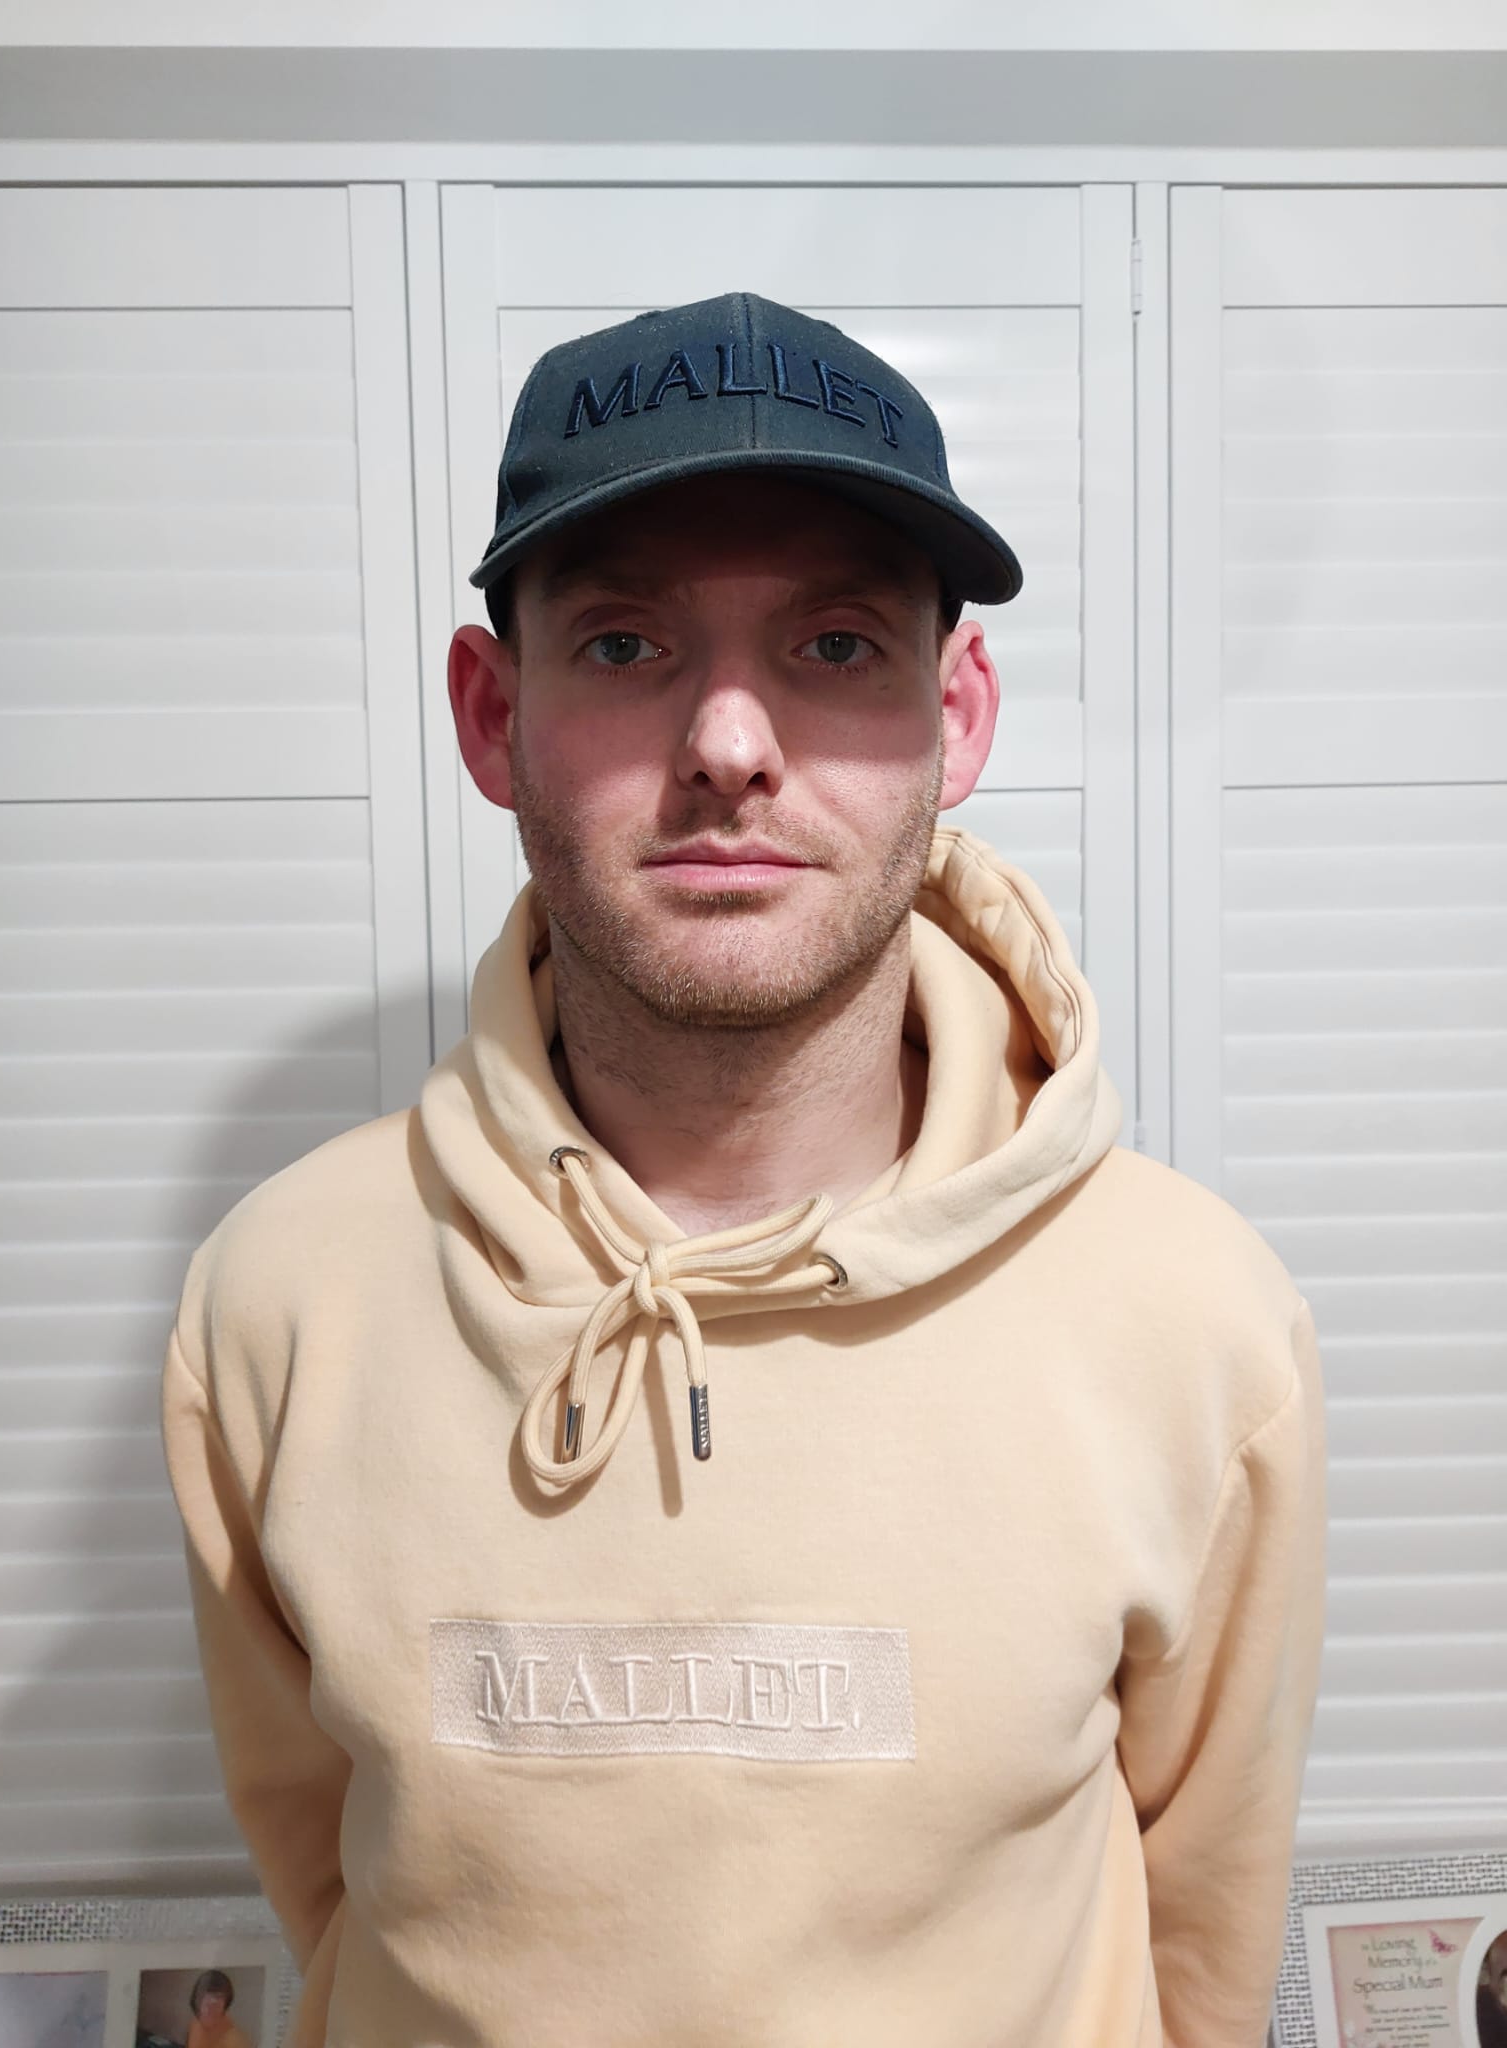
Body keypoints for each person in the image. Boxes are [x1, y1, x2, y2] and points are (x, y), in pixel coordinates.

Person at [160, 290, 1328, 2048]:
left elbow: (1205, 1944)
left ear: (959, 712)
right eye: (626, 643)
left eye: (834, 645)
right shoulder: (279, 1303)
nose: (727, 743)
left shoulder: (1197, 1323)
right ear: (492, 712)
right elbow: (335, 1881)